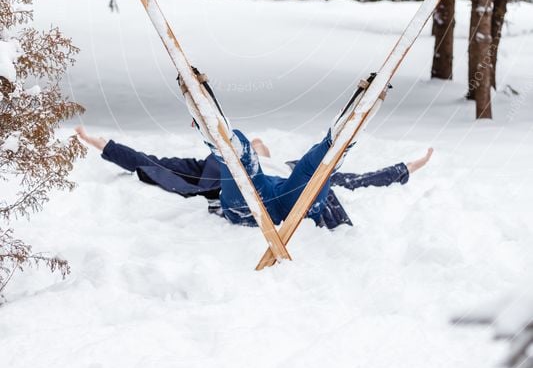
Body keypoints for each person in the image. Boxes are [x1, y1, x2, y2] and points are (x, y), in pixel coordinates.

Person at [76, 125, 433, 231]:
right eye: (259, 143)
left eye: (264, 143)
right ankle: (229, 142)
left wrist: (405, 169)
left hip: (293, 201)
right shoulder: (210, 168)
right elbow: (151, 162)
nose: (265, 144)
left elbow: (357, 180)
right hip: (246, 198)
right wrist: (104, 145)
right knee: (240, 163)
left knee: (315, 166)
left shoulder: (287, 165)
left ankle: (337, 140)